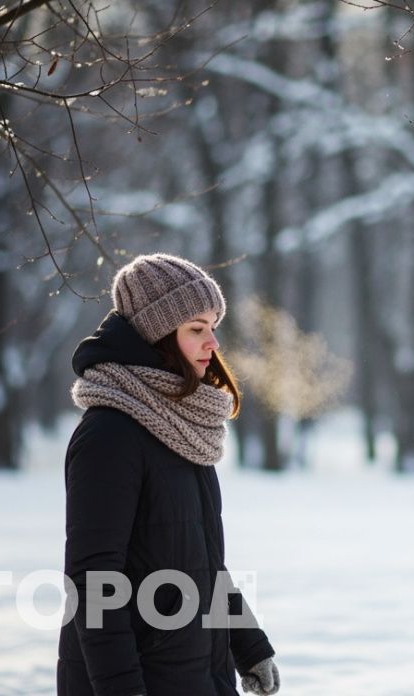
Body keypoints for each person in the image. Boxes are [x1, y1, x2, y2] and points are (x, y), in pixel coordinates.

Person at [57, 253, 280, 696]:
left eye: (213, 326)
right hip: (142, 679)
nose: (212, 342)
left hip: (196, 672)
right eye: (196, 329)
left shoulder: (182, 424)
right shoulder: (110, 434)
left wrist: (249, 645)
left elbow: (203, 562)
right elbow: (93, 583)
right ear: (156, 334)